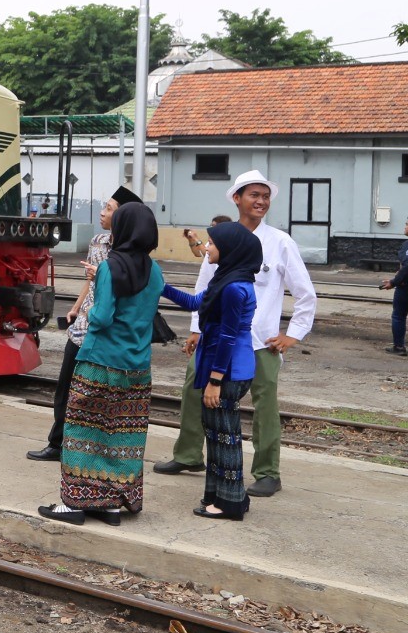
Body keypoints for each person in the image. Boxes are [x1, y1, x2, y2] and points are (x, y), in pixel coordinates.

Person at [153, 170, 316, 497]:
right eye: (254, 195)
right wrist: (197, 329)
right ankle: (188, 455)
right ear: (237, 199)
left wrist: (292, 335)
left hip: (261, 342)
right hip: (215, 337)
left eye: (266, 196)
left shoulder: (281, 243)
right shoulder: (222, 237)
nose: (261, 201)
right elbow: (204, 289)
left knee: (264, 403)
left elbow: (306, 294)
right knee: (192, 390)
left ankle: (268, 472)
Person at [37, 202, 164, 525]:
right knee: (119, 434)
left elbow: (103, 316)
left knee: (82, 429)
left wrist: (90, 310)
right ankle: (109, 503)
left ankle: (75, 503)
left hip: (99, 360)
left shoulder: (109, 266)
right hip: (137, 365)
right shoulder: (156, 271)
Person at [27, 186, 140, 462]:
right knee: (64, 389)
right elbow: (89, 282)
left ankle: (86, 449)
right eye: (105, 206)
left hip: (106, 332)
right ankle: (57, 443)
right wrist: (75, 309)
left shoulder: (132, 251)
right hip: (83, 328)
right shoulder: (98, 241)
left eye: (109, 208)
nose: (102, 212)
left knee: (93, 397)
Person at [160, 222, 261, 520]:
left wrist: (215, 380)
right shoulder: (226, 279)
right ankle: (221, 495)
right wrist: (161, 287)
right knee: (216, 433)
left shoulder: (232, 288)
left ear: (229, 249)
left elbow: (228, 337)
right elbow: (194, 302)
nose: (206, 248)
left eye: (212, 244)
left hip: (228, 370)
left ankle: (230, 502)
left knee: (225, 435)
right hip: (226, 366)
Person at [377, 218, 408, 356]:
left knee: (398, 316)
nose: (405, 226)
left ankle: (399, 347)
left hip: (405, 287)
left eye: (407, 224)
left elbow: (407, 267)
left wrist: (394, 281)